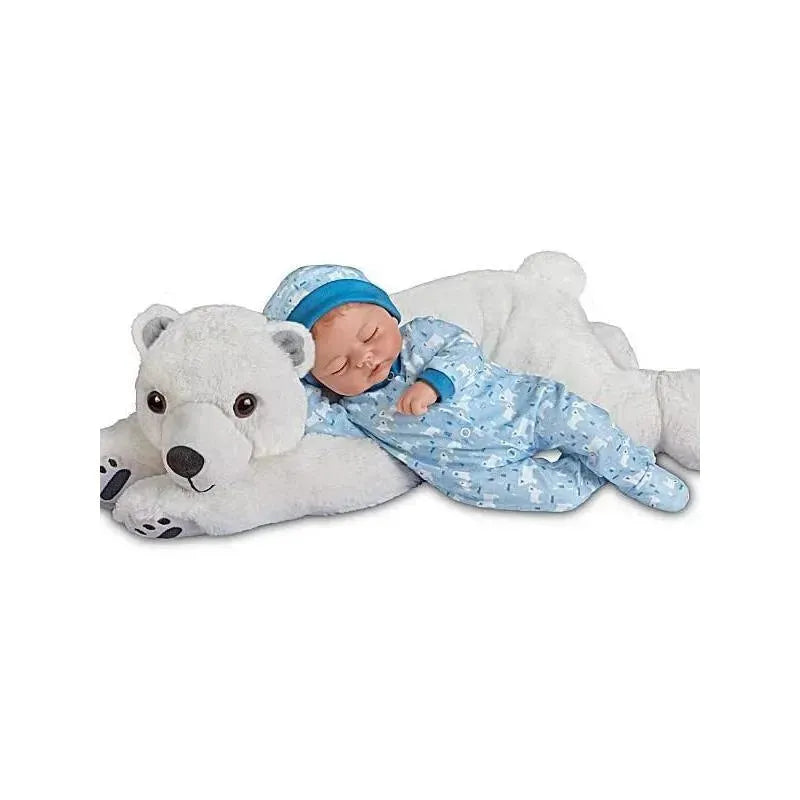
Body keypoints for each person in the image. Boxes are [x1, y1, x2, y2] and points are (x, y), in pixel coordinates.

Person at [264, 265, 689, 512]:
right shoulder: (349, 410)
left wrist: (433, 384)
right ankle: (590, 474)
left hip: (521, 406)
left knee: (583, 421)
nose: (364, 358)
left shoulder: (423, 336)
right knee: (557, 495)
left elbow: (462, 351)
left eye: (371, 335)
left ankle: (634, 470)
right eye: (339, 365)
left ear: (391, 316)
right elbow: (298, 408)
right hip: (477, 471)